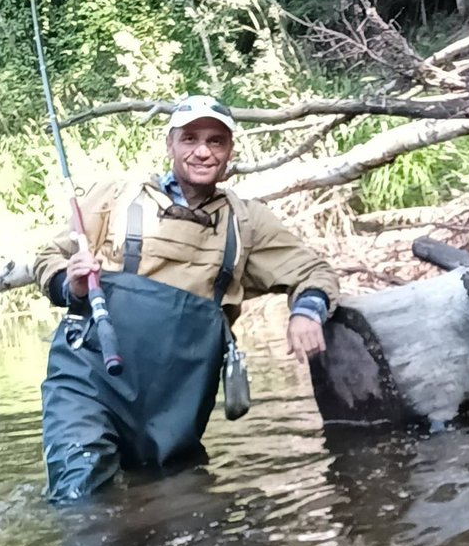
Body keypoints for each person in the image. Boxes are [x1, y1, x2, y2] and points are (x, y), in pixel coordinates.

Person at [33, 96, 340, 501]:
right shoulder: (115, 196)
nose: (202, 151)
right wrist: (68, 285)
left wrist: (305, 312)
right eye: (190, 138)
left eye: (216, 141)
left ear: (230, 151)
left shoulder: (247, 222)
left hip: (176, 399)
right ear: (170, 145)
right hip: (88, 376)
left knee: (172, 502)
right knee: (81, 490)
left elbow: (313, 272)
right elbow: (46, 257)